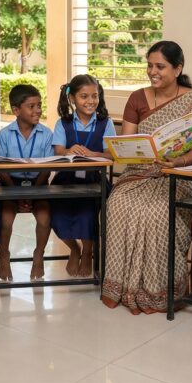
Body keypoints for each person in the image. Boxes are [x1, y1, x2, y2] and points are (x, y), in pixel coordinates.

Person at [102, 41, 192, 314]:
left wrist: (178, 160)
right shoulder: (137, 98)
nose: (152, 72)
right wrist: (135, 150)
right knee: (118, 203)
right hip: (138, 173)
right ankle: (120, 285)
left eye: (160, 66)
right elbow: (127, 142)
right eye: (149, 65)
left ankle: (160, 289)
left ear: (177, 69)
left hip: (176, 174)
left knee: (157, 212)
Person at [51, 74, 115, 277]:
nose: (90, 101)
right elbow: (58, 151)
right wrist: (68, 151)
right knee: (57, 216)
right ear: (72, 99)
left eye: (94, 96)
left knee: (87, 215)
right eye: (84, 96)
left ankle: (87, 252)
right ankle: (74, 248)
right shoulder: (63, 123)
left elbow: (111, 154)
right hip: (65, 180)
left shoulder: (106, 123)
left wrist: (94, 154)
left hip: (94, 180)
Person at [0, 84, 54, 281]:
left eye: (39, 105)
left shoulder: (46, 134)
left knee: (45, 219)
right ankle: (4, 256)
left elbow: (46, 168)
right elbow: (0, 167)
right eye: (31, 106)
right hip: (10, 183)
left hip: (39, 183)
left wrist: (33, 193)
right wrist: (17, 193)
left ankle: (39, 254)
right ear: (16, 110)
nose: (37, 110)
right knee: (5, 220)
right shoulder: (4, 134)